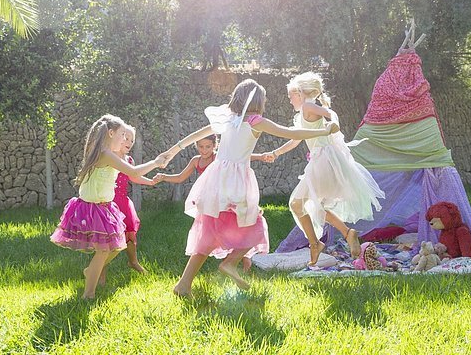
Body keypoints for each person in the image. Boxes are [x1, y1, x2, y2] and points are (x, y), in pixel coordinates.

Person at [161, 79, 339, 297]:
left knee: (209, 230)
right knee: (254, 226)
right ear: (257, 101)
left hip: (216, 180)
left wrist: (172, 151)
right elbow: (291, 133)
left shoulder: (228, 119)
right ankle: (230, 263)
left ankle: (184, 285)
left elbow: (197, 135)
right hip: (236, 181)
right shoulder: (256, 121)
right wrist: (323, 132)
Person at [266, 72, 385, 266]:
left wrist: (334, 124)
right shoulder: (304, 113)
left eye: (290, 96)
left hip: (322, 161)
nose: (289, 101)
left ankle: (315, 244)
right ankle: (347, 233)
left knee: (297, 204)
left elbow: (331, 113)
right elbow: (296, 139)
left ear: (300, 92)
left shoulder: (308, 105)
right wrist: (276, 152)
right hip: (321, 161)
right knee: (314, 205)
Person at [50, 114, 166, 299]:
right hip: (93, 208)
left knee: (115, 246)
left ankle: (91, 273)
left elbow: (132, 174)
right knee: (105, 249)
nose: (124, 139)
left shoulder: (105, 152)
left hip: (104, 206)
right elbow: (133, 172)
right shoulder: (105, 154)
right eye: (122, 135)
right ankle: (88, 293)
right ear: (110, 133)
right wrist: (156, 163)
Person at [153, 135, 271, 272]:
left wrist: (261, 156)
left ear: (215, 145)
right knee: (216, 231)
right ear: (196, 146)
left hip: (225, 197)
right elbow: (180, 177)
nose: (204, 150)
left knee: (240, 225)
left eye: (208, 146)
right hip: (209, 200)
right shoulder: (195, 161)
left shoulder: (218, 157)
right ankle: (233, 261)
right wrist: (164, 177)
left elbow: (240, 157)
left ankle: (245, 262)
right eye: (201, 146)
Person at [109, 124, 155, 277]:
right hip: (109, 202)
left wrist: (151, 182)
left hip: (123, 202)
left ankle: (133, 262)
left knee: (130, 234)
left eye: (132, 140)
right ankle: (100, 271)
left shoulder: (129, 159)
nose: (129, 142)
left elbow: (134, 176)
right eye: (126, 138)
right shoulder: (109, 156)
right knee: (108, 238)